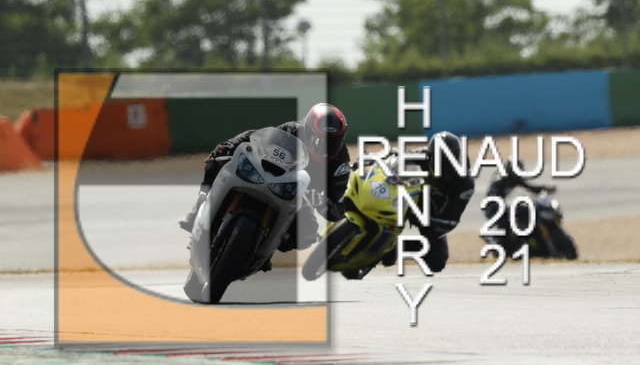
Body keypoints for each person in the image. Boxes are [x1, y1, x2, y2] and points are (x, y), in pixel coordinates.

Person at [178, 103, 352, 269]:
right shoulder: (291, 130)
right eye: (319, 140)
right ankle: (199, 206)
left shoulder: (341, 163)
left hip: (298, 197)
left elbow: (338, 208)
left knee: (307, 233)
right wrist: (230, 145)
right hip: (266, 174)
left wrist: (323, 202)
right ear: (307, 130)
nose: (325, 148)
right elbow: (257, 136)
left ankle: (263, 249)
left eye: (333, 142)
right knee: (218, 163)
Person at [348, 131, 475, 278]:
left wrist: (423, 219)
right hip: (415, 198)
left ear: (457, 157)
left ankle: (396, 247)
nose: (440, 163)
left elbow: (450, 221)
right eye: (436, 158)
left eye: (446, 160)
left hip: (435, 217)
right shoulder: (426, 155)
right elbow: (397, 154)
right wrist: (371, 158)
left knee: (437, 261)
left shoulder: (465, 184)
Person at [483, 159, 556, 254]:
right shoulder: (499, 180)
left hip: (502, 205)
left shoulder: (514, 177)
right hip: (492, 207)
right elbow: (493, 195)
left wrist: (545, 189)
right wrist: (505, 205)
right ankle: (500, 248)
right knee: (505, 224)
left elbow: (530, 187)